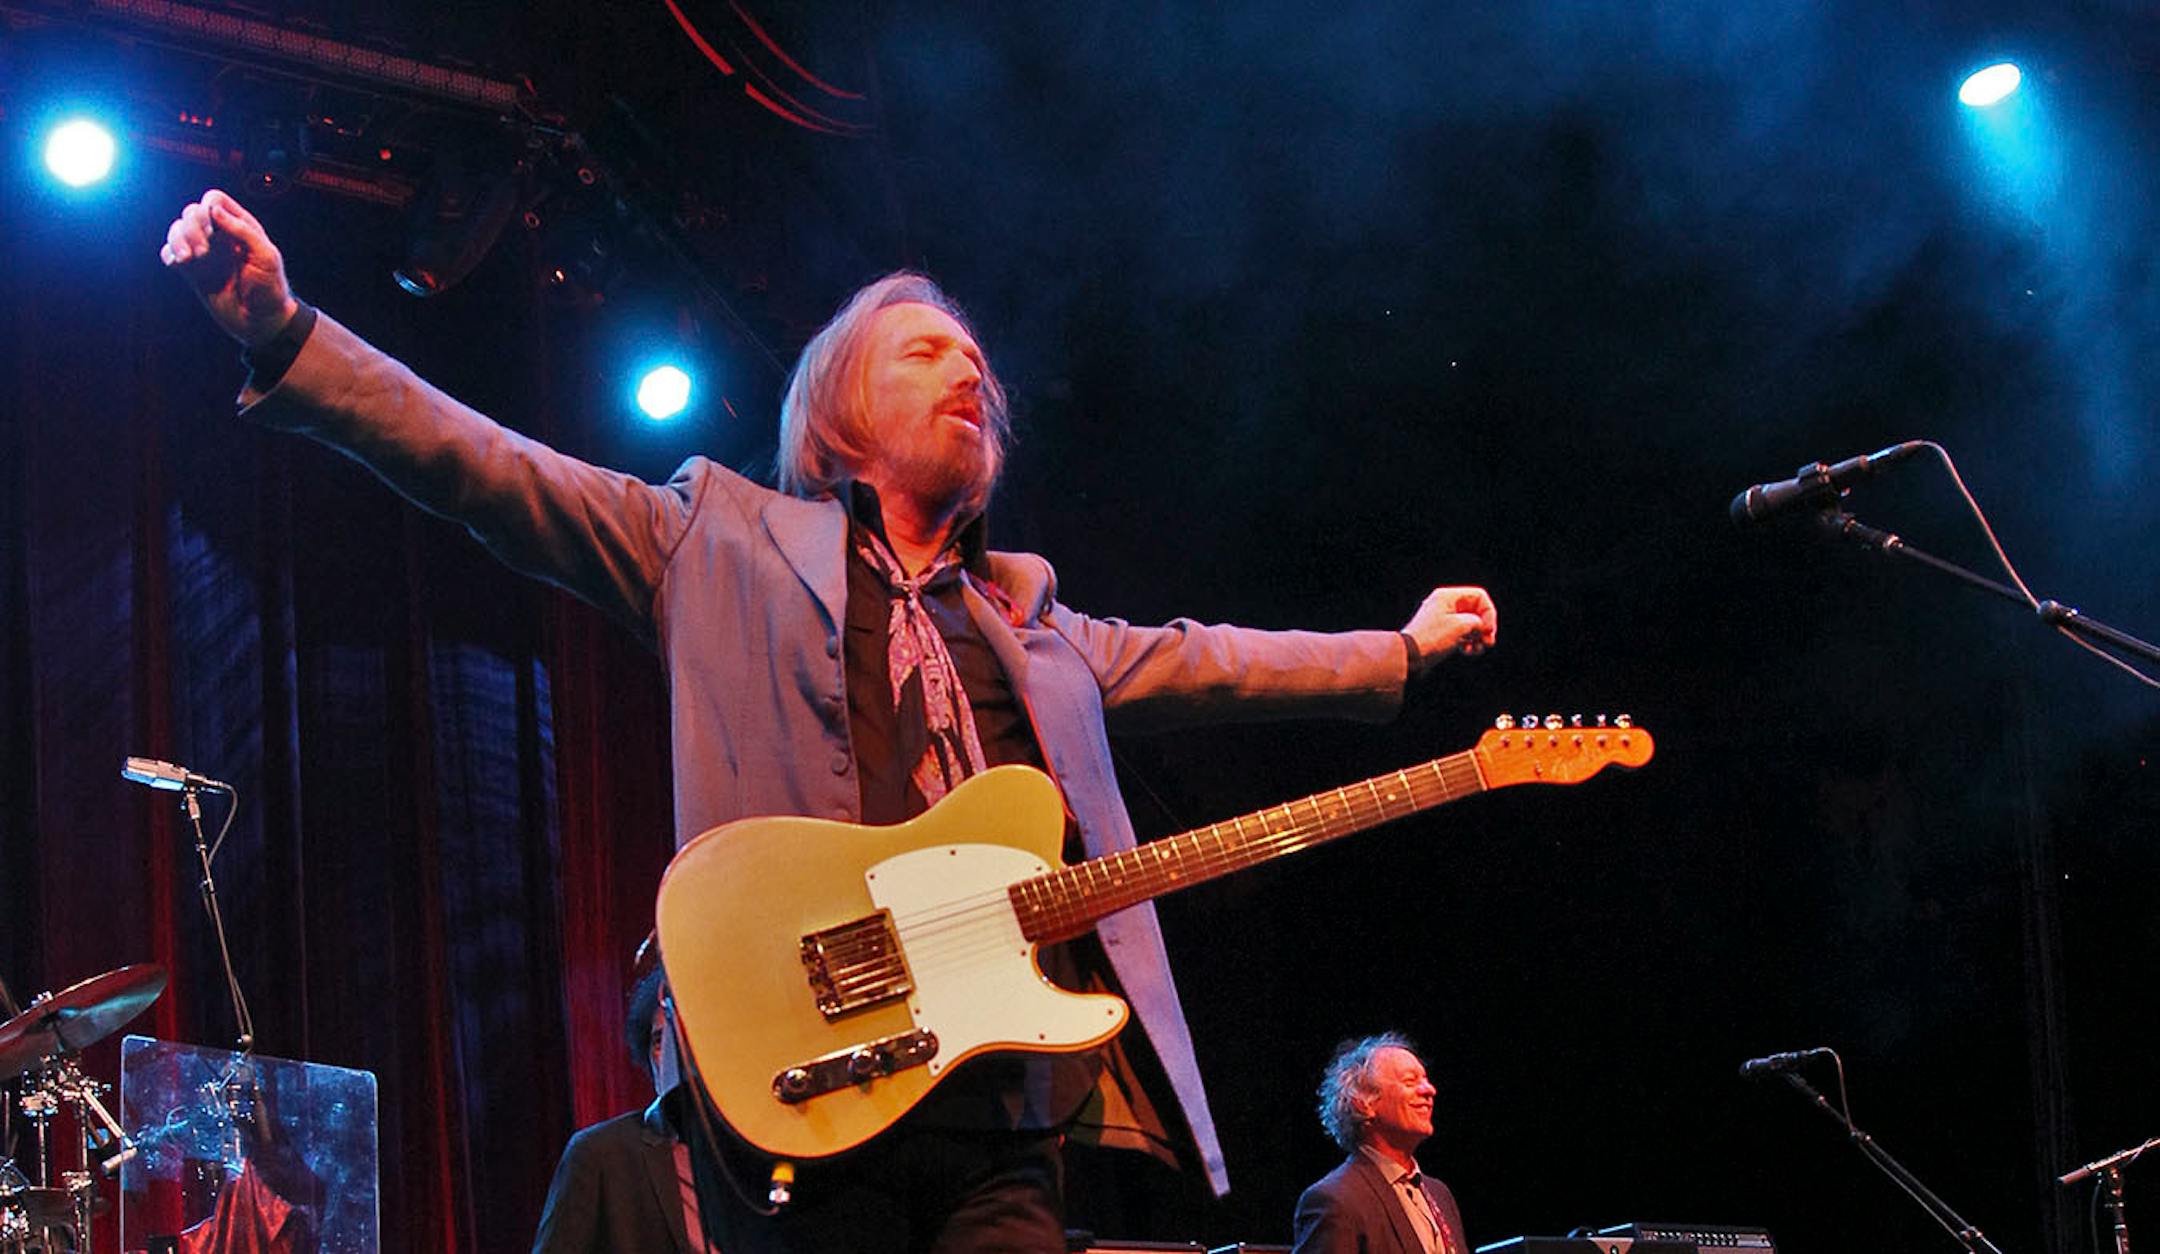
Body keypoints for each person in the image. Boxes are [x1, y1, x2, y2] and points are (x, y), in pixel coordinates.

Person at [159, 189, 1499, 1253]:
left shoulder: (1029, 622)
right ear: (842, 410)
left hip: (1002, 1109)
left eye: (978, 363)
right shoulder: (716, 537)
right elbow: (492, 470)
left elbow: (1216, 662)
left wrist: (1397, 649)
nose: (969, 372)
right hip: (808, 1078)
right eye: (927, 353)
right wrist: (286, 332)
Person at [530, 960, 703, 1254]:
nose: (674, 1054)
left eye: (687, 1037)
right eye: (659, 1041)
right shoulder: (599, 1153)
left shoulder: (759, 1148)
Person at [1292, 1034, 1467, 1254]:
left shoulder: (1440, 1194)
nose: (1429, 1090)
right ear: (1363, 1103)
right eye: (1410, 1081)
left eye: (1425, 1079)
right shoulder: (1335, 1200)